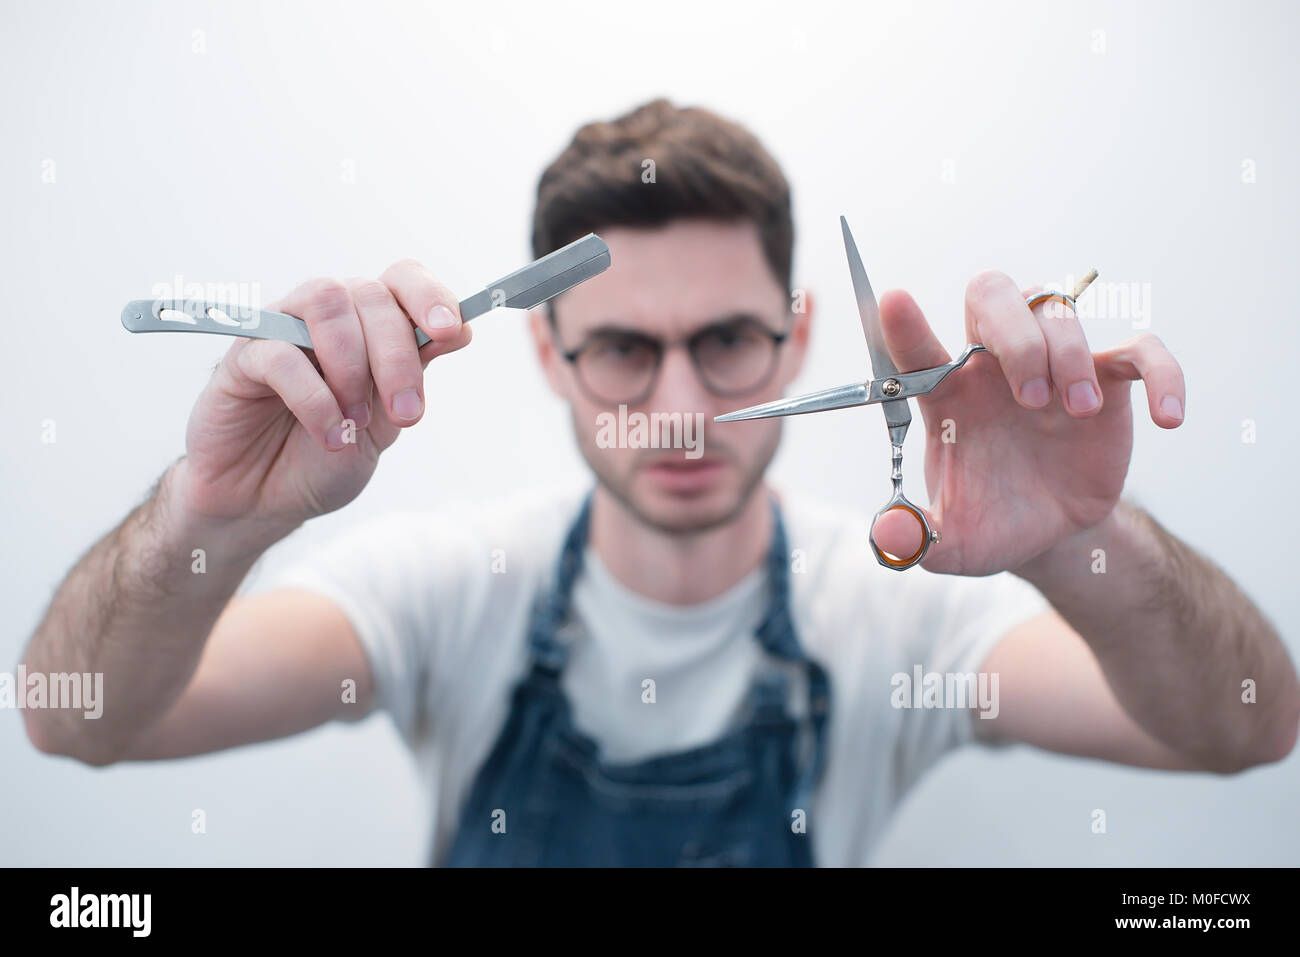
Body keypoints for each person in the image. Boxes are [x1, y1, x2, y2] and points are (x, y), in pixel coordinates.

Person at [21, 98, 1299, 867]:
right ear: (548, 349)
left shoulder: (903, 609)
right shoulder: (441, 592)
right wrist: (206, 518)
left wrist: (1080, 540)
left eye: (729, 343)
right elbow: (74, 721)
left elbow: (1245, 729)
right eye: (627, 349)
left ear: (799, 337)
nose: (681, 416)